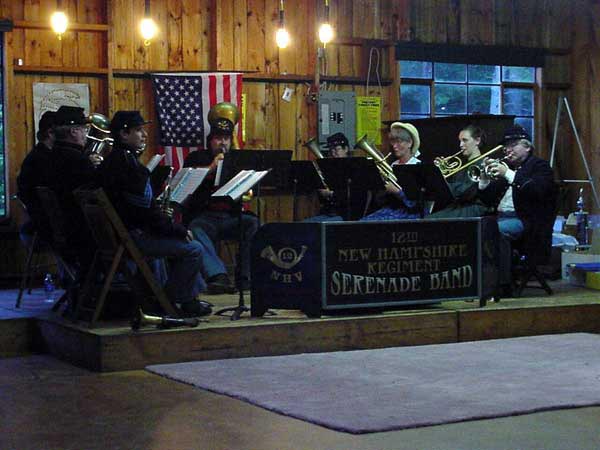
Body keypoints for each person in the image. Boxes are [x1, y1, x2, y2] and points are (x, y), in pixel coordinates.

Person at [100, 110, 213, 317]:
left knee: (182, 243)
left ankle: (186, 300)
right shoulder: (129, 167)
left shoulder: (111, 162)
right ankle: (170, 301)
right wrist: (176, 229)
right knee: (194, 248)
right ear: (124, 134)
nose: (144, 135)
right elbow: (147, 218)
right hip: (133, 237)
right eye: (138, 131)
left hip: (118, 236)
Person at [183, 117, 259, 289]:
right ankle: (218, 275)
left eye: (226, 138)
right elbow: (188, 185)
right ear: (210, 141)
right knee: (195, 228)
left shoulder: (237, 160)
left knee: (253, 223)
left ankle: (245, 277)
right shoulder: (196, 158)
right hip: (205, 217)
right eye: (218, 138)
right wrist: (211, 167)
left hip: (230, 216)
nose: (222, 143)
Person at [478, 125, 556, 292]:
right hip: (500, 217)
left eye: (513, 145)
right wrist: (484, 178)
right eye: (505, 147)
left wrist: (508, 174)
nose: (507, 150)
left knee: (494, 230)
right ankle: (478, 282)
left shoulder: (540, 166)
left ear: (527, 147)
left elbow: (537, 190)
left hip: (528, 222)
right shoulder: (509, 168)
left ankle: (502, 285)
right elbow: (487, 200)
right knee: (474, 228)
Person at [429, 125, 494, 218]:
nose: (461, 145)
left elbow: (465, 192)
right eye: (460, 141)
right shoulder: (462, 166)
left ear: (477, 141)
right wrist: (439, 174)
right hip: (459, 206)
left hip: (474, 207)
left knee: (430, 220)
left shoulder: (482, 164)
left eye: (465, 140)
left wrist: (441, 181)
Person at [361, 122, 423, 221]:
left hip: (409, 213)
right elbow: (381, 199)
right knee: (363, 222)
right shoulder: (393, 164)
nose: (394, 146)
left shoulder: (417, 166)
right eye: (393, 142)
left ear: (410, 143)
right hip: (392, 209)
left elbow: (417, 202)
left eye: (399, 142)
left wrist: (397, 191)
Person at [16, 111, 57, 245]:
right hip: (43, 229)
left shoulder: (38, 155)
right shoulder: (42, 160)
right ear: (50, 133)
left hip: (37, 225)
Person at [303, 132, 350, 222]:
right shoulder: (330, 169)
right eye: (331, 150)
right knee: (304, 224)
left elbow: (352, 196)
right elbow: (322, 199)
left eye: (337, 149)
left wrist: (331, 194)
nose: (333, 153)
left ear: (346, 149)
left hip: (346, 215)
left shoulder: (354, 168)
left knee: (309, 225)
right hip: (329, 213)